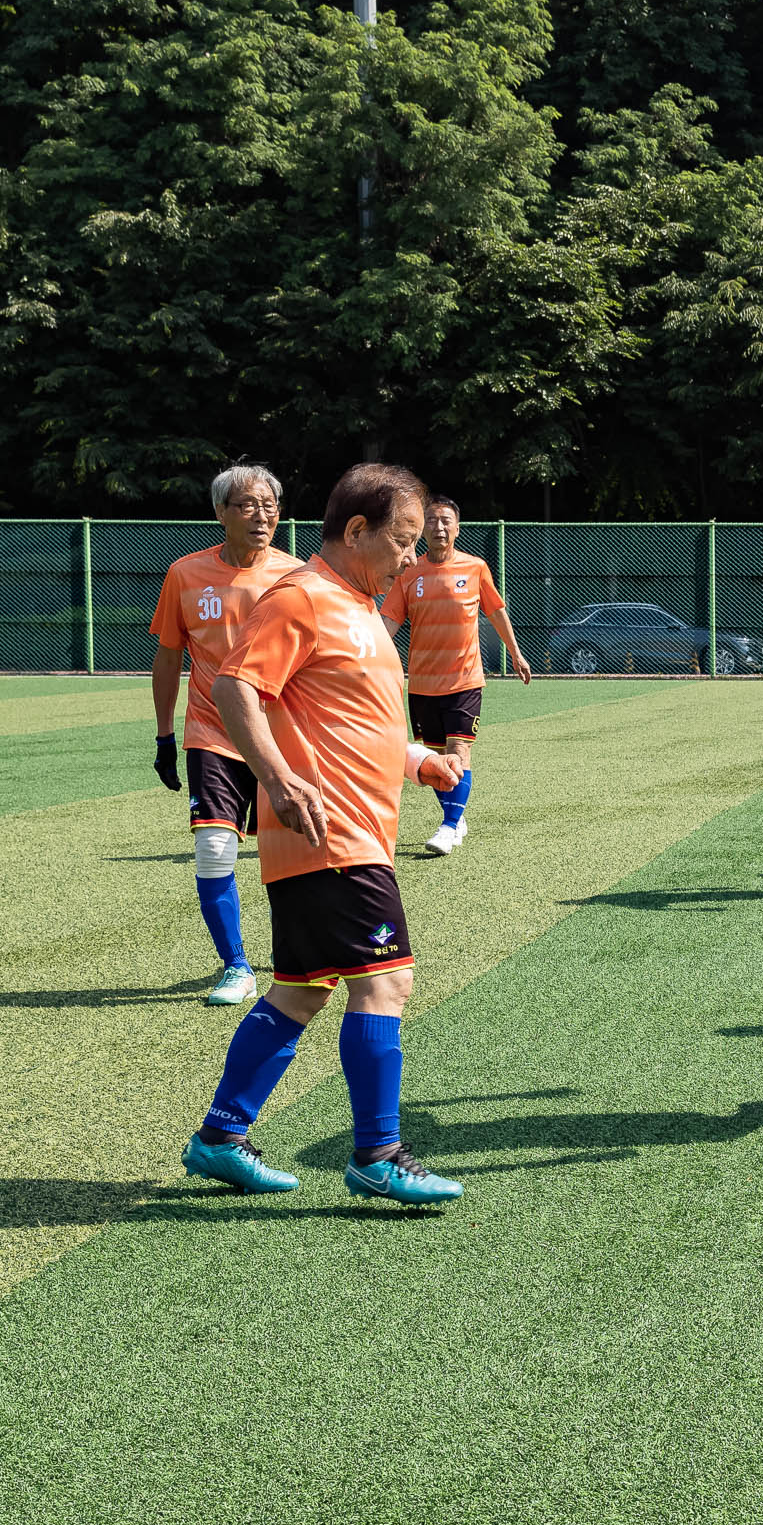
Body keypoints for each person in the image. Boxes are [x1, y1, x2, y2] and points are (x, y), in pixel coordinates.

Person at [180, 463, 468, 1206]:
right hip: (330, 833)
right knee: (386, 979)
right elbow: (234, 686)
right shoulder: (303, 596)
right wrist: (275, 778)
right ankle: (379, 1153)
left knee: (301, 992)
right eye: (402, 541)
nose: (411, 556)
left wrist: (418, 760)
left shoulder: (362, 608)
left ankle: (220, 1136)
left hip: (343, 831)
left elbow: (350, 721)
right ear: (355, 531)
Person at [148, 464, 304, 1006]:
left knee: (299, 849)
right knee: (214, 847)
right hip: (211, 733)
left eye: (269, 504)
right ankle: (237, 966)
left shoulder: (297, 577)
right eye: (247, 505)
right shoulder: (184, 575)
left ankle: (301, 952)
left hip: (281, 736)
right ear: (221, 513)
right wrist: (166, 736)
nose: (261, 516)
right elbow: (169, 657)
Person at [379, 494, 529, 855]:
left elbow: (496, 612)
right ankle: (456, 815)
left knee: (458, 753)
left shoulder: (475, 568)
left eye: (446, 520)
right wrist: (363, 656)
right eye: (431, 520)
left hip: (464, 680)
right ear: (421, 528)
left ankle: (447, 826)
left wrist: (516, 653)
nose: (439, 527)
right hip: (422, 684)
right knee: (434, 758)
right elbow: (388, 623)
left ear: (457, 528)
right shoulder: (409, 572)